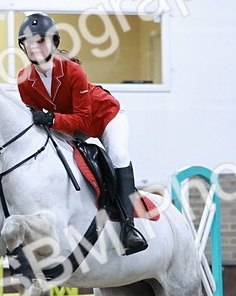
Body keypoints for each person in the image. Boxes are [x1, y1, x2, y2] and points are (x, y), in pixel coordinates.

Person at [15, 13, 147, 255]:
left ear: (54, 42)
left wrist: (52, 118)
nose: (34, 47)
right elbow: (35, 121)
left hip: (104, 115)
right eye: (29, 42)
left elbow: (84, 119)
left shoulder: (73, 71)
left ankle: (129, 228)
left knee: (118, 155)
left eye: (41, 40)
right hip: (70, 124)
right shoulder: (24, 81)